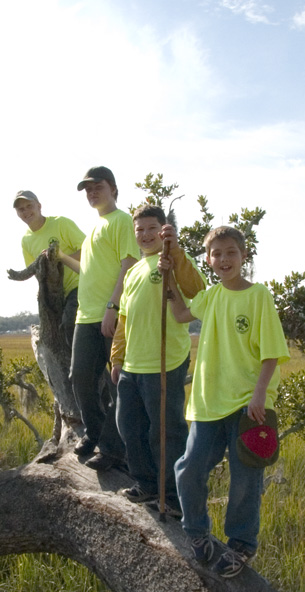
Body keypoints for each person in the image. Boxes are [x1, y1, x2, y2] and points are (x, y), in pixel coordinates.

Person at [172, 226, 290, 578]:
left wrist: (259, 394)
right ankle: (196, 532)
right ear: (208, 259)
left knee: (245, 480)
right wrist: (168, 279)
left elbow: (271, 353)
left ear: (244, 256)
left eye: (231, 253)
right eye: (216, 254)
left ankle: (241, 545)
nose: (223, 260)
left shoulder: (258, 296)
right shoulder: (210, 296)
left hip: (247, 404)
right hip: (208, 402)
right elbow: (181, 315)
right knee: (189, 468)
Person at [110, 205, 206, 514]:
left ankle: (173, 497)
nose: (146, 235)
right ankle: (146, 484)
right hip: (132, 365)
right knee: (129, 427)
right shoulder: (135, 271)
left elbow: (196, 289)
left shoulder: (172, 259)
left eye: (152, 228)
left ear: (163, 229)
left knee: (165, 432)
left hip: (164, 363)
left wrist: (176, 254)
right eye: (140, 230)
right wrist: (116, 357)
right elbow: (123, 319)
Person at [61, 166, 140, 471]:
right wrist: (58, 258)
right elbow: (87, 270)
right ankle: (94, 434)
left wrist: (113, 306)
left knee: (120, 383)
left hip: (112, 314)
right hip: (86, 315)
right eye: (88, 190)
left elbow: (130, 263)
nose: (92, 193)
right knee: (80, 378)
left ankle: (112, 450)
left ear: (114, 189)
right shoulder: (94, 228)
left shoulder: (122, 221)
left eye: (98, 187)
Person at [13, 190, 85, 347]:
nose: (26, 211)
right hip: (57, 294)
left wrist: (58, 259)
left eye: (29, 206)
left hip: (79, 285)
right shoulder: (26, 240)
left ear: (39, 206)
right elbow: (35, 271)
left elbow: (89, 250)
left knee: (69, 323)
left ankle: (82, 368)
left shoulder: (61, 223)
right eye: (21, 209)